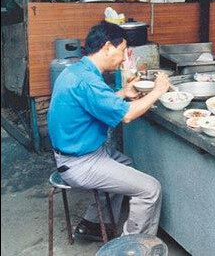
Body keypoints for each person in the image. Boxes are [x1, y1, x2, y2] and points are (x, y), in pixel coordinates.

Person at [47, 22, 170, 241]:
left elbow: (97, 103)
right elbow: (128, 115)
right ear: (106, 47)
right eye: (122, 51)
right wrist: (159, 90)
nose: (124, 58)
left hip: (76, 155)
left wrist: (124, 92)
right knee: (151, 189)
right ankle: (133, 246)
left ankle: (94, 223)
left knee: (126, 164)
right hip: (81, 163)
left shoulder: (77, 70)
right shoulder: (88, 81)